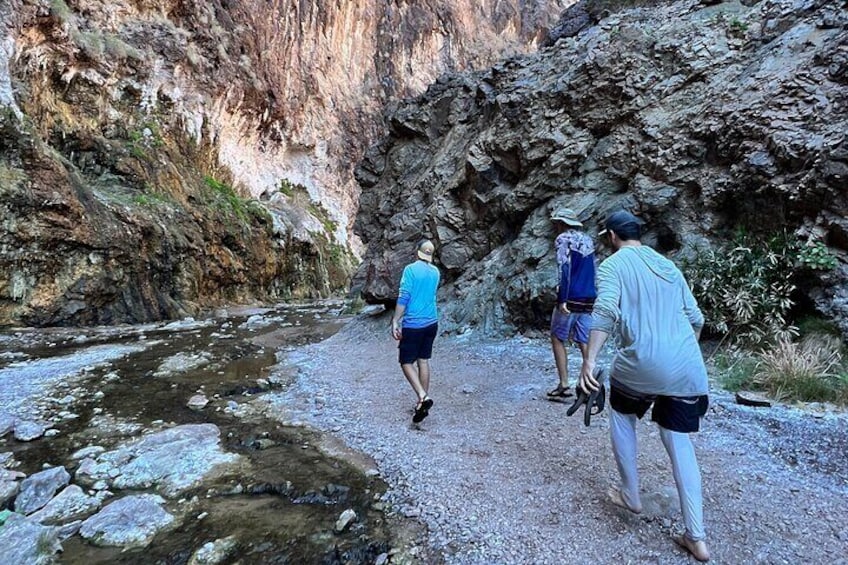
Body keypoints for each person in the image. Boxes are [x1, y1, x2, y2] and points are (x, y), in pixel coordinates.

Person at [579, 210, 711, 562]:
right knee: (678, 441)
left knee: (623, 415)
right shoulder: (668, 266)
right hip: (686, 366)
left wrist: (589, 360)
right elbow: (696, 319)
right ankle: (696, 537)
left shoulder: (612, 266)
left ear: (611, 237)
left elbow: (605, 311)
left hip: (640, 363)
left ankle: (630, 493)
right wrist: (681, 352)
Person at [547, 208, 596, 399]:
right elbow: (594, 269)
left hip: (571, 296)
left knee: (558, 337)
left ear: (561, 223)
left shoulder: (563, 239)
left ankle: (564, 383)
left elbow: (564, 269)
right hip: (589, 296)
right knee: (584, 339)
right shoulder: (588, 240)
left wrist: (562, 299)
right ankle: (589, 381)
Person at [391, 239, 441, 423]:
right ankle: (422, 403)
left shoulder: (410, 270)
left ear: (417, 251)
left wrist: (396, 320)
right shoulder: (436, 271)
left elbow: (404, 296)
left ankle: (422, 395)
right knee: (423, 361)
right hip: (432, 322)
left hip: (414, 324)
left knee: (405, 361)